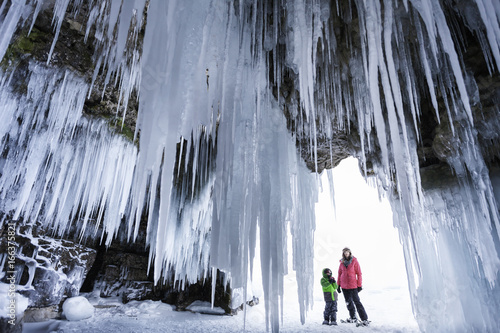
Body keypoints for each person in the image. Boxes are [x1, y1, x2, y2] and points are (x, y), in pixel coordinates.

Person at [337, 247, 369, 326]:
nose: (346, 254)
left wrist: (359, 285)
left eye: (347, 252)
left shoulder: (354, 261)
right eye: (345, 252)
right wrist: (338, 285)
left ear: (350, 253)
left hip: (353, 286)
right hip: (344, 286)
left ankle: (364, 319)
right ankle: (353, 317)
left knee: (357, 302)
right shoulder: (341, 263)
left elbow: (359, 273)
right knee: (348, 303)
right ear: (343, 253)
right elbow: (339, 274)